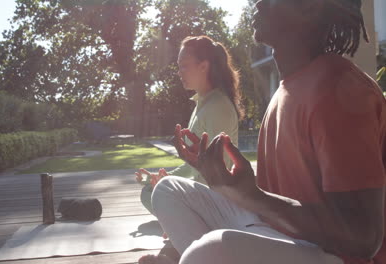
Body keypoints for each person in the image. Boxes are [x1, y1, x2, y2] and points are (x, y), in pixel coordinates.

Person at [139, 0, 386, 263]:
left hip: (332, 255)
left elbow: (363, 237)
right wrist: (221, 178)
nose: (258, 2)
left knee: (208, 251)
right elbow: (284, 194)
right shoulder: (288, 87)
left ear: (310, 7)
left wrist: (253, 197)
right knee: (167, 191)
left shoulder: (339, 91)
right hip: (278, 233)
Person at [135, 35, 243, 215]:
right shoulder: (203, 104)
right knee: (149, 191)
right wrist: (162, 179)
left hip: (217, 204)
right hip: (202, 195)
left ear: (203, 66)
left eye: (184, 65)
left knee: (151, 195)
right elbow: (194, 165)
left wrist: (172, 188)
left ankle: (188, 219)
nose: (179, 72)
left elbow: (217, 173)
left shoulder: (217, 107)